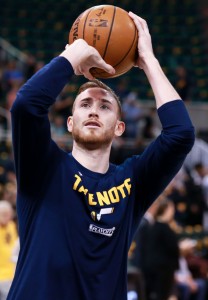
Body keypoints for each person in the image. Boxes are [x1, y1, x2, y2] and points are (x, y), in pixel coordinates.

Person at [7, 12, 195, 300]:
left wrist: (148, 60)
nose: (94, 110)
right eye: (84, 104)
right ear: (70, 123)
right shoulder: (43, 166)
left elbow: (180, 134)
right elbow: (26, 105)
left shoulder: (133, 180)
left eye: (105, 106)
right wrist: (72, 55)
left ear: (119, 128)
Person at [0, 200, 18, 300]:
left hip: (13, 271)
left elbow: (14, 245)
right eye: (4, 214)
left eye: (9, 214)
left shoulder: (11, 225)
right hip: (2, 274)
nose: (7, 217)